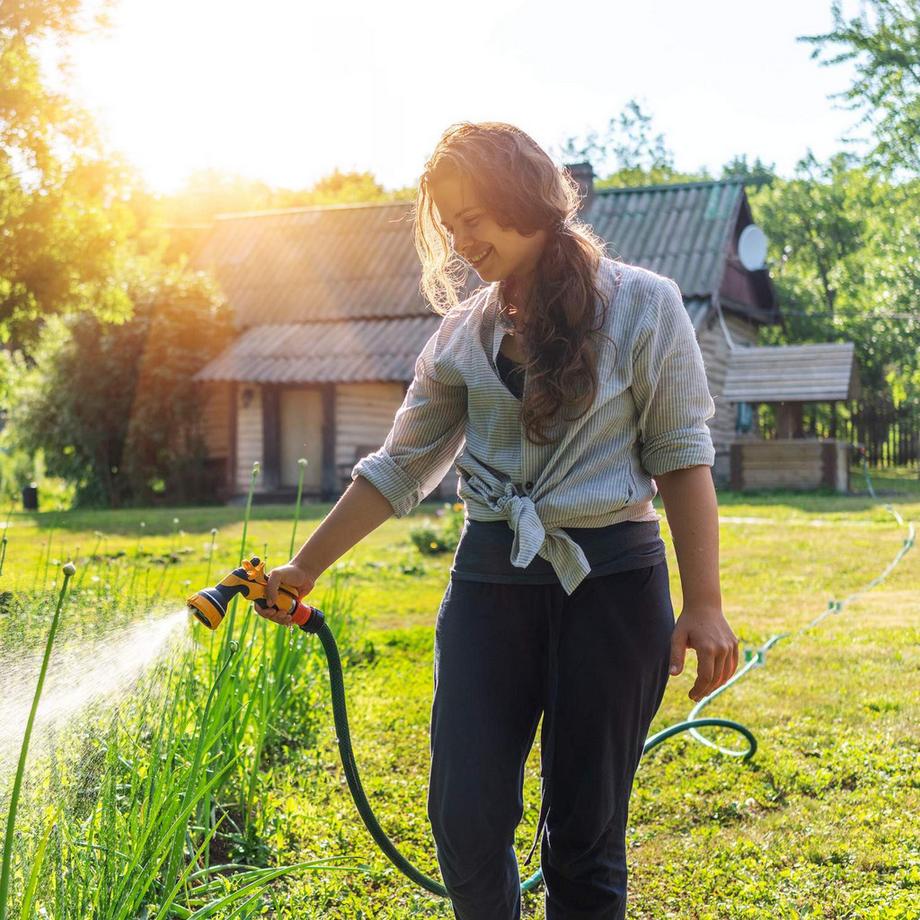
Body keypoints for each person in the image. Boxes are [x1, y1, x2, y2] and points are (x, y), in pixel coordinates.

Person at [257, 121, 739, 920]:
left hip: (613, 587)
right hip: (490, 586)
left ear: (528, 199)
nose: (461, 239)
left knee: (585, 831)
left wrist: (706, 603)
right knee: (465, 815)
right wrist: (305, 568)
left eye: (473, 216)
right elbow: (399, 466)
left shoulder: (647, 306)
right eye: (449, 225)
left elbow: (683, 459)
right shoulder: (461, 336)